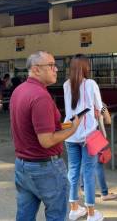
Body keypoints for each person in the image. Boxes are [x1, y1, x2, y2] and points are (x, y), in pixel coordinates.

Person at [10, 51, 82, 221]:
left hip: (23, 165)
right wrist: (72, 129)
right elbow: (46, 140)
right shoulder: (40, 97)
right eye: (51, 65)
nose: (56, 69)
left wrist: (60, 126)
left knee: (24, 215)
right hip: (45, 167)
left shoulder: (19, 91)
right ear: (36, 69)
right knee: (57, 215)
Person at [63, 54, 104, 221]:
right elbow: (100, 108)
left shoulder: (66, 85)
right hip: (89, 135)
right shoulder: (90, 83)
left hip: (70, 134)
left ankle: (73, 209)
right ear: (86, 67)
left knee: (72, 171)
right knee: (88, 173)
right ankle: (92, 213)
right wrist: (98, 112)